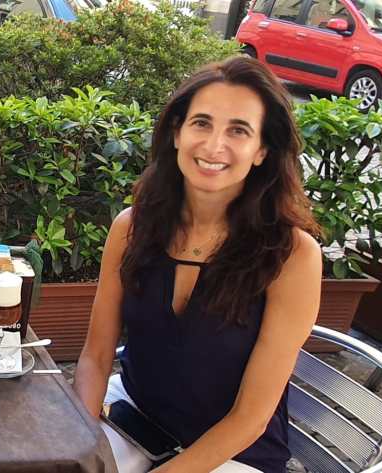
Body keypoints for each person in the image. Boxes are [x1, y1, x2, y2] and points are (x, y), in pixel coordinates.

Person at [73, 56, 322, 473]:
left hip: (232, 453)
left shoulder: (292, 256)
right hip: (134, 419)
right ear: (176, 132)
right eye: (201, 123)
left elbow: (250, 418)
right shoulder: (131, 229)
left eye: (238, 130)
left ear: (262, 150)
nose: (213, 146)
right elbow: (96, 356)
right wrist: (79, 443)